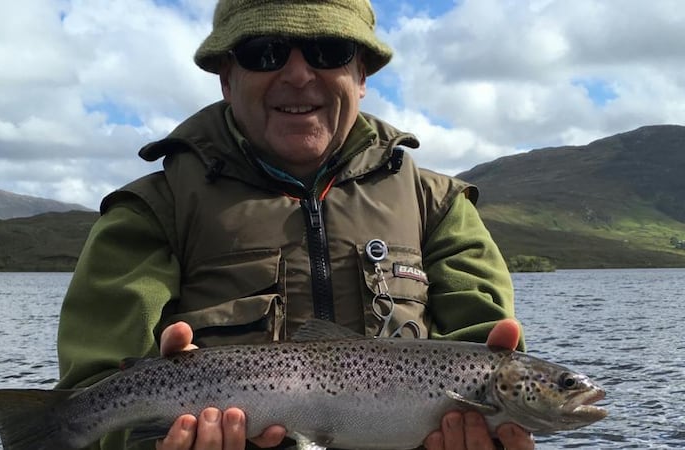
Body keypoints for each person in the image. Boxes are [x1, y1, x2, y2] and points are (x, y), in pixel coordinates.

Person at [56, 0, 534, 449]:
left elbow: (489, 355)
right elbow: (89, 401)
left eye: (329, 51)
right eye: (265, 53)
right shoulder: (150, 213)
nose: (300, 74)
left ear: (361, 72)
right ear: (226, 76)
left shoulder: (440, 206)